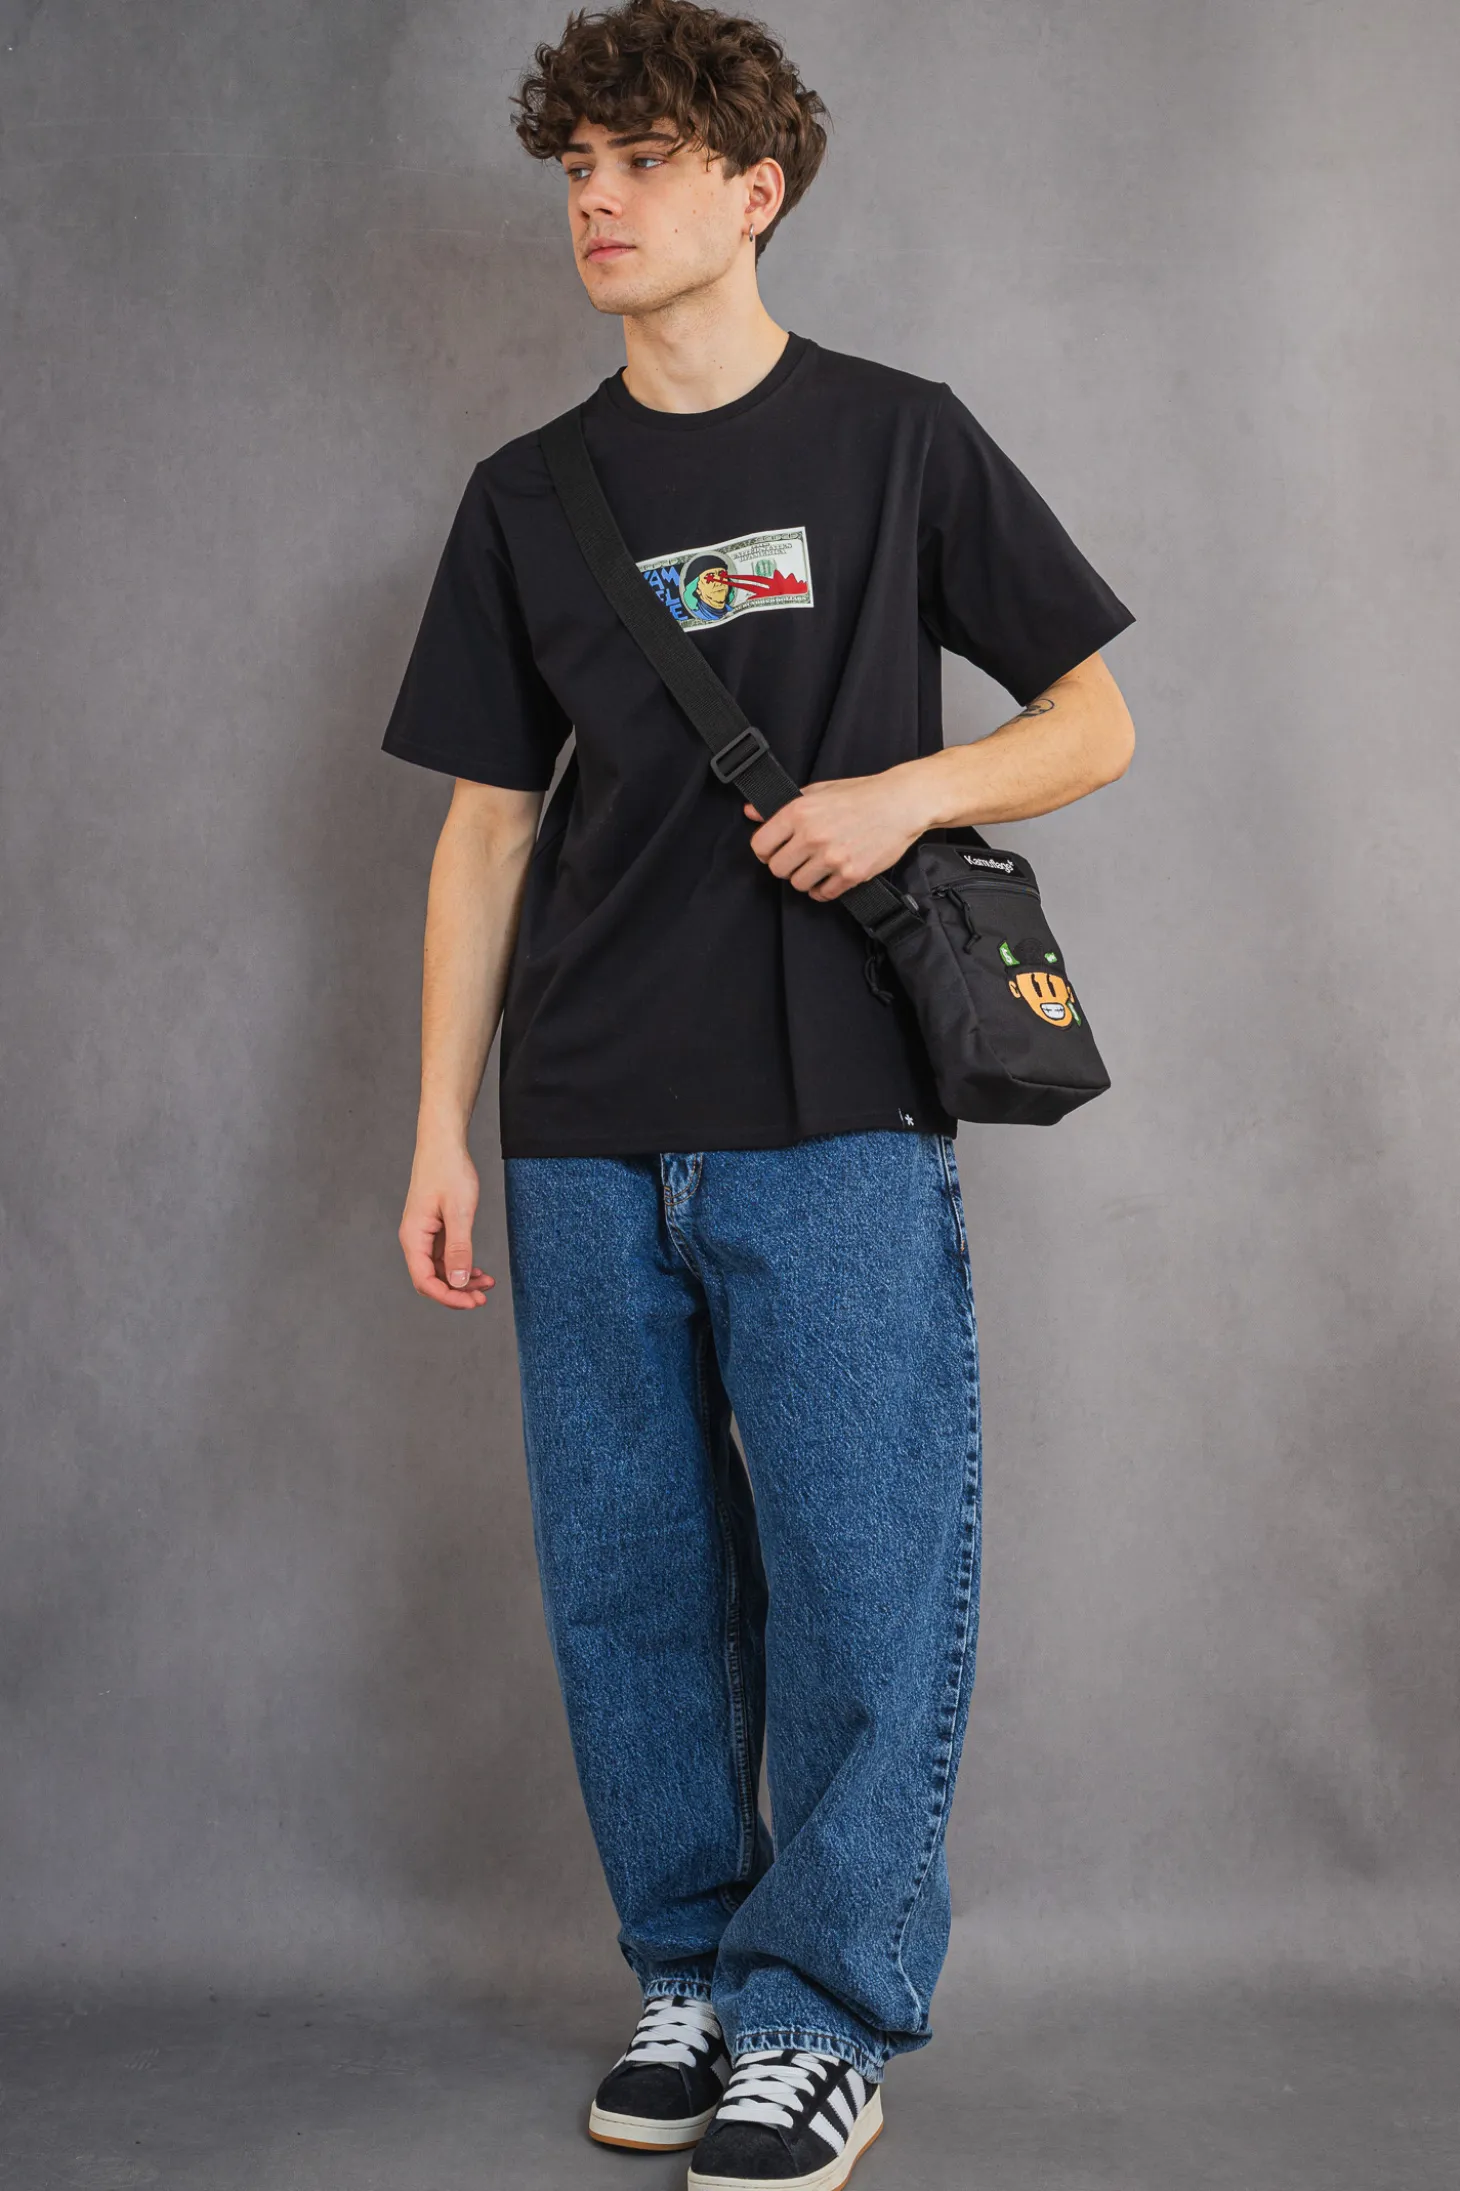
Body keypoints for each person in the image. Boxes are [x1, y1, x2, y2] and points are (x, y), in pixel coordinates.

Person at [380, 3, 1136, 2184]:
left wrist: (905, 791)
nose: (598, 204)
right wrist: (438, 1132)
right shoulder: (529, 498)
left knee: (854, 1575)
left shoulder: (901, 441)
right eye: (575, 172)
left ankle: (822, 2015)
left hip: (833, 1115)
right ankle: (691, 1975)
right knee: (628, 1585)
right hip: (584, 1121)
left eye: (640, 163)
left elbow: (1090, 721)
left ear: (752, 189)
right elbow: (485, 835)